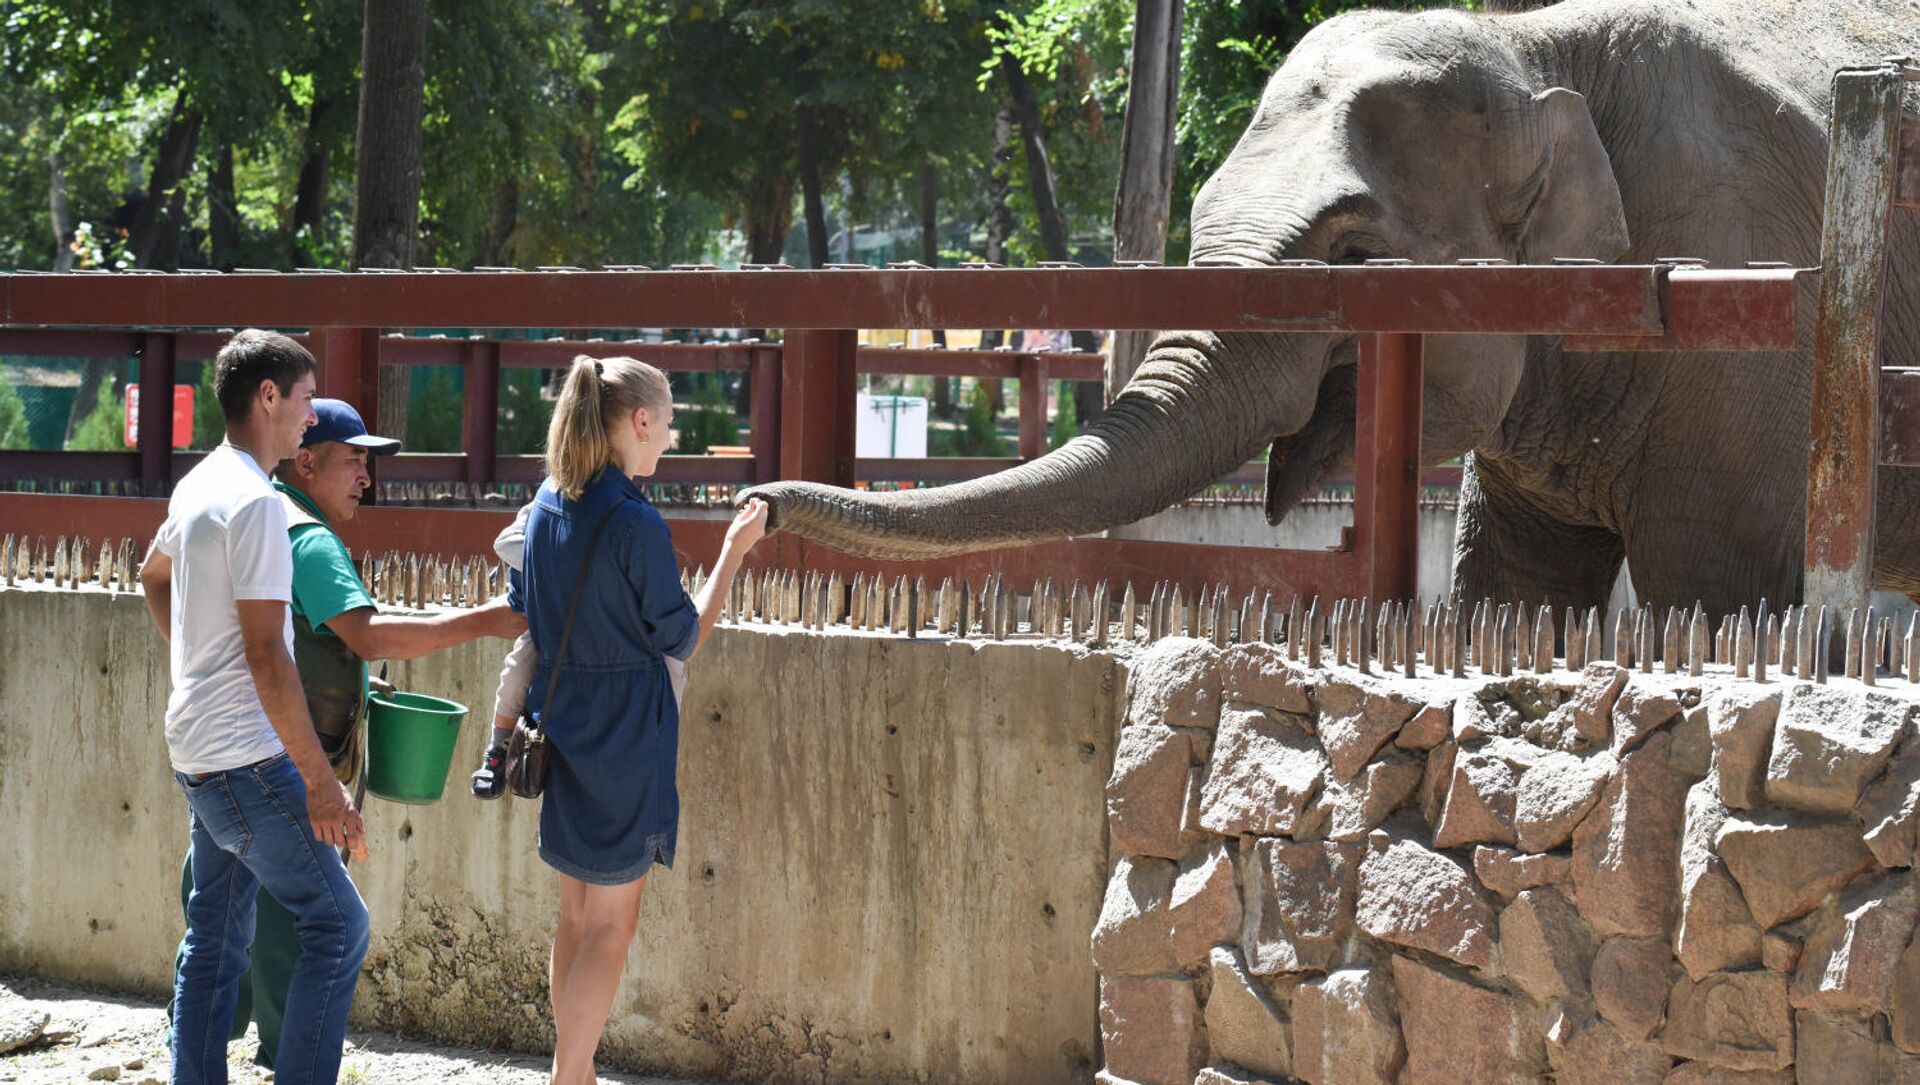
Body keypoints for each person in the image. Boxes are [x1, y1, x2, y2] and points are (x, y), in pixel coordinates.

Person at [166, 397, 526, 1071]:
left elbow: (166, 582)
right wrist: (483, 620)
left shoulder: (247, 502)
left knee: (217, 934)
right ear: (306, 460)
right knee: (333, 924)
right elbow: (364, 631)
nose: (366, 476)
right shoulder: (306, 534)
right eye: (353, 460)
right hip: (275, 764)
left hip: (213, 753)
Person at [504, 355, 766, 1085]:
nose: (672, 436)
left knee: (575, 917)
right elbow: (682, 635)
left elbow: (525, 599)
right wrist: (731, 554)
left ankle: (574, 1070)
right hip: (628, 735)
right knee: (612, 928)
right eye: (669, 421)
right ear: (639, 420)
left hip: (561, 724)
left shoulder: (549, 501)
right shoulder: (635, 521)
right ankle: (569, 1074)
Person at [137, 330, 366, 1085]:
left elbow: (153, 575)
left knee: (215, 937)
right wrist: (321, 782)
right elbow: (269, 656)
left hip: (197, 753)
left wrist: (199, 667)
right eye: (304, 400)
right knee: (337, 925)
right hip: (247, 759)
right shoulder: (259, 504)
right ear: (268, 396)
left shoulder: (200, 481)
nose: (310, 418)